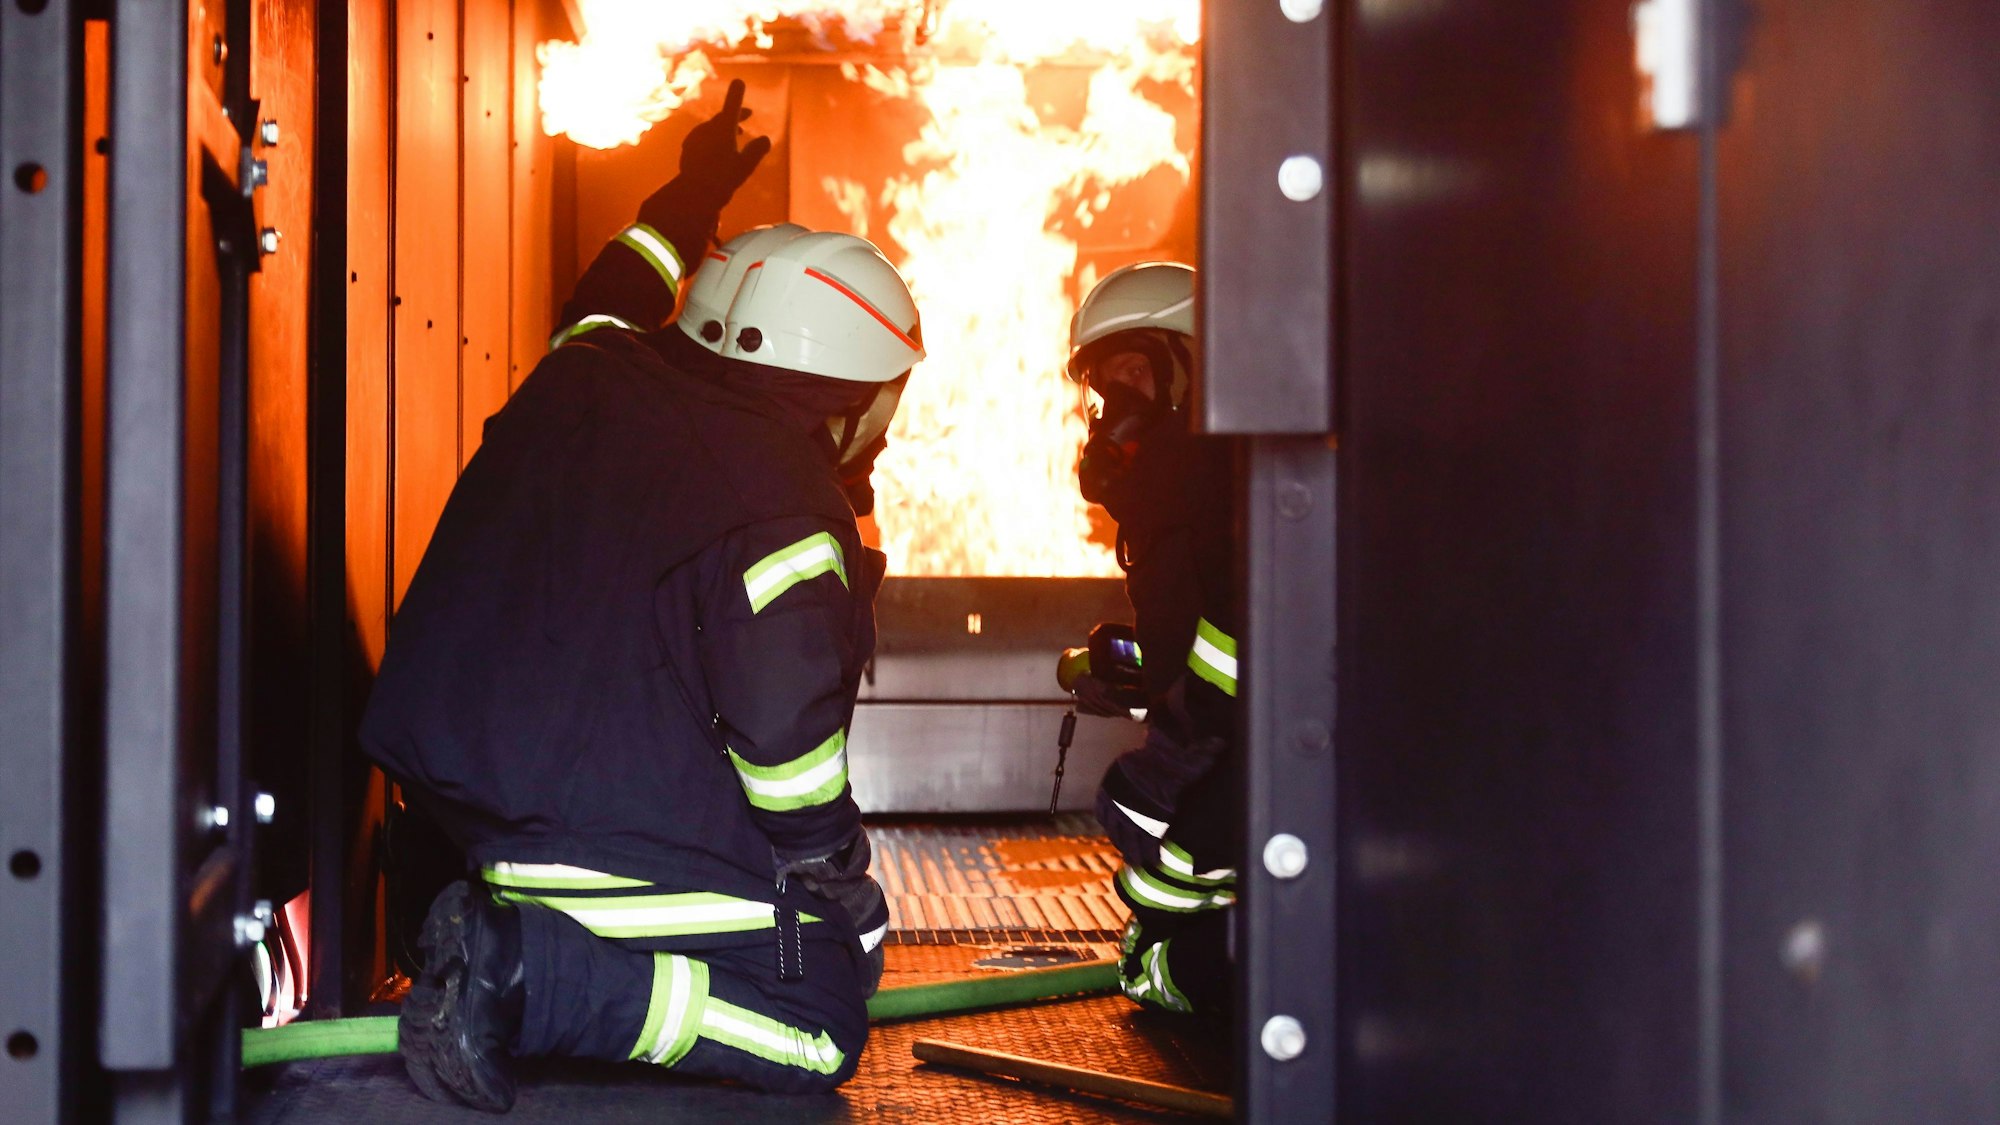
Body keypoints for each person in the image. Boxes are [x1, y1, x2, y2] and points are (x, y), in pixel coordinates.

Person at [358, 80, 921, 1111]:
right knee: (816, 1024)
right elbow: (782, 737)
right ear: (851, 390)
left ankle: (502, 940)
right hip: (602, 849)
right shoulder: (780, 500)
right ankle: (527, 972)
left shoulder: (583, 373)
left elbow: (611, 292)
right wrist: (834, 878)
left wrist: (688, 195)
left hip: (457, 818)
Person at [1065, 262, 1240, 1017]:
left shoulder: (1224, 479)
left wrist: (1171, 756)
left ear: (1195, 364)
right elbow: (1209, 629)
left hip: (1256, 774)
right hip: (1227, 758)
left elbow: (1256, 638)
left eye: (1136, 370)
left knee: (1162, 954)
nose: (1115, 410)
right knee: (1156, 934)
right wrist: (1139, 664)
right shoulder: (1173, 492)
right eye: (1106, 389)